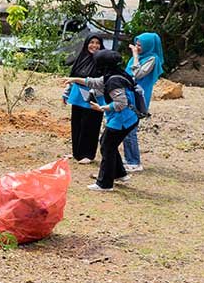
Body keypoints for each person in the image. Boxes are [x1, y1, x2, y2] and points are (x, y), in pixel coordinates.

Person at [64, 49, 140, 192]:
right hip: (129, 118)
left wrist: (102, 108)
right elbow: (93, 82)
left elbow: (121, 103)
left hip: (122, 120)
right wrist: (74, 79)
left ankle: (105, 184)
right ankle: (119, 174)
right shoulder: (116, 74)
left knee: (106, 146)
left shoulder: (113, 82)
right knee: (108, 144)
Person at [121, 32, 165, 172]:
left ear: (148, 45)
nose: (137, 47)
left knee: (130, 129)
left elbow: (137, 74)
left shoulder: (152, 59)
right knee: (124, 127)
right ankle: (129, 158)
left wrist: (134, 56)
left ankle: (134, 162)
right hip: (128, 95)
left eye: (140, 45)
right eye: (137, 44)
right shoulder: (141, 56)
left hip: (138, 98)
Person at [63, 35, 105, 164]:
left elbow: (103, 82)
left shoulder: (103, 60)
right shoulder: (82, 58)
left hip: (94, 98)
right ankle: (77, 153)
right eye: (91, 42)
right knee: (77, 125)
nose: (94, 45)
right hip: (77, 97)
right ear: (86, 44)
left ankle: (88, 154)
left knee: (91, 126)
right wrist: (66, 94)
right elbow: (72, 78)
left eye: (97, 43)